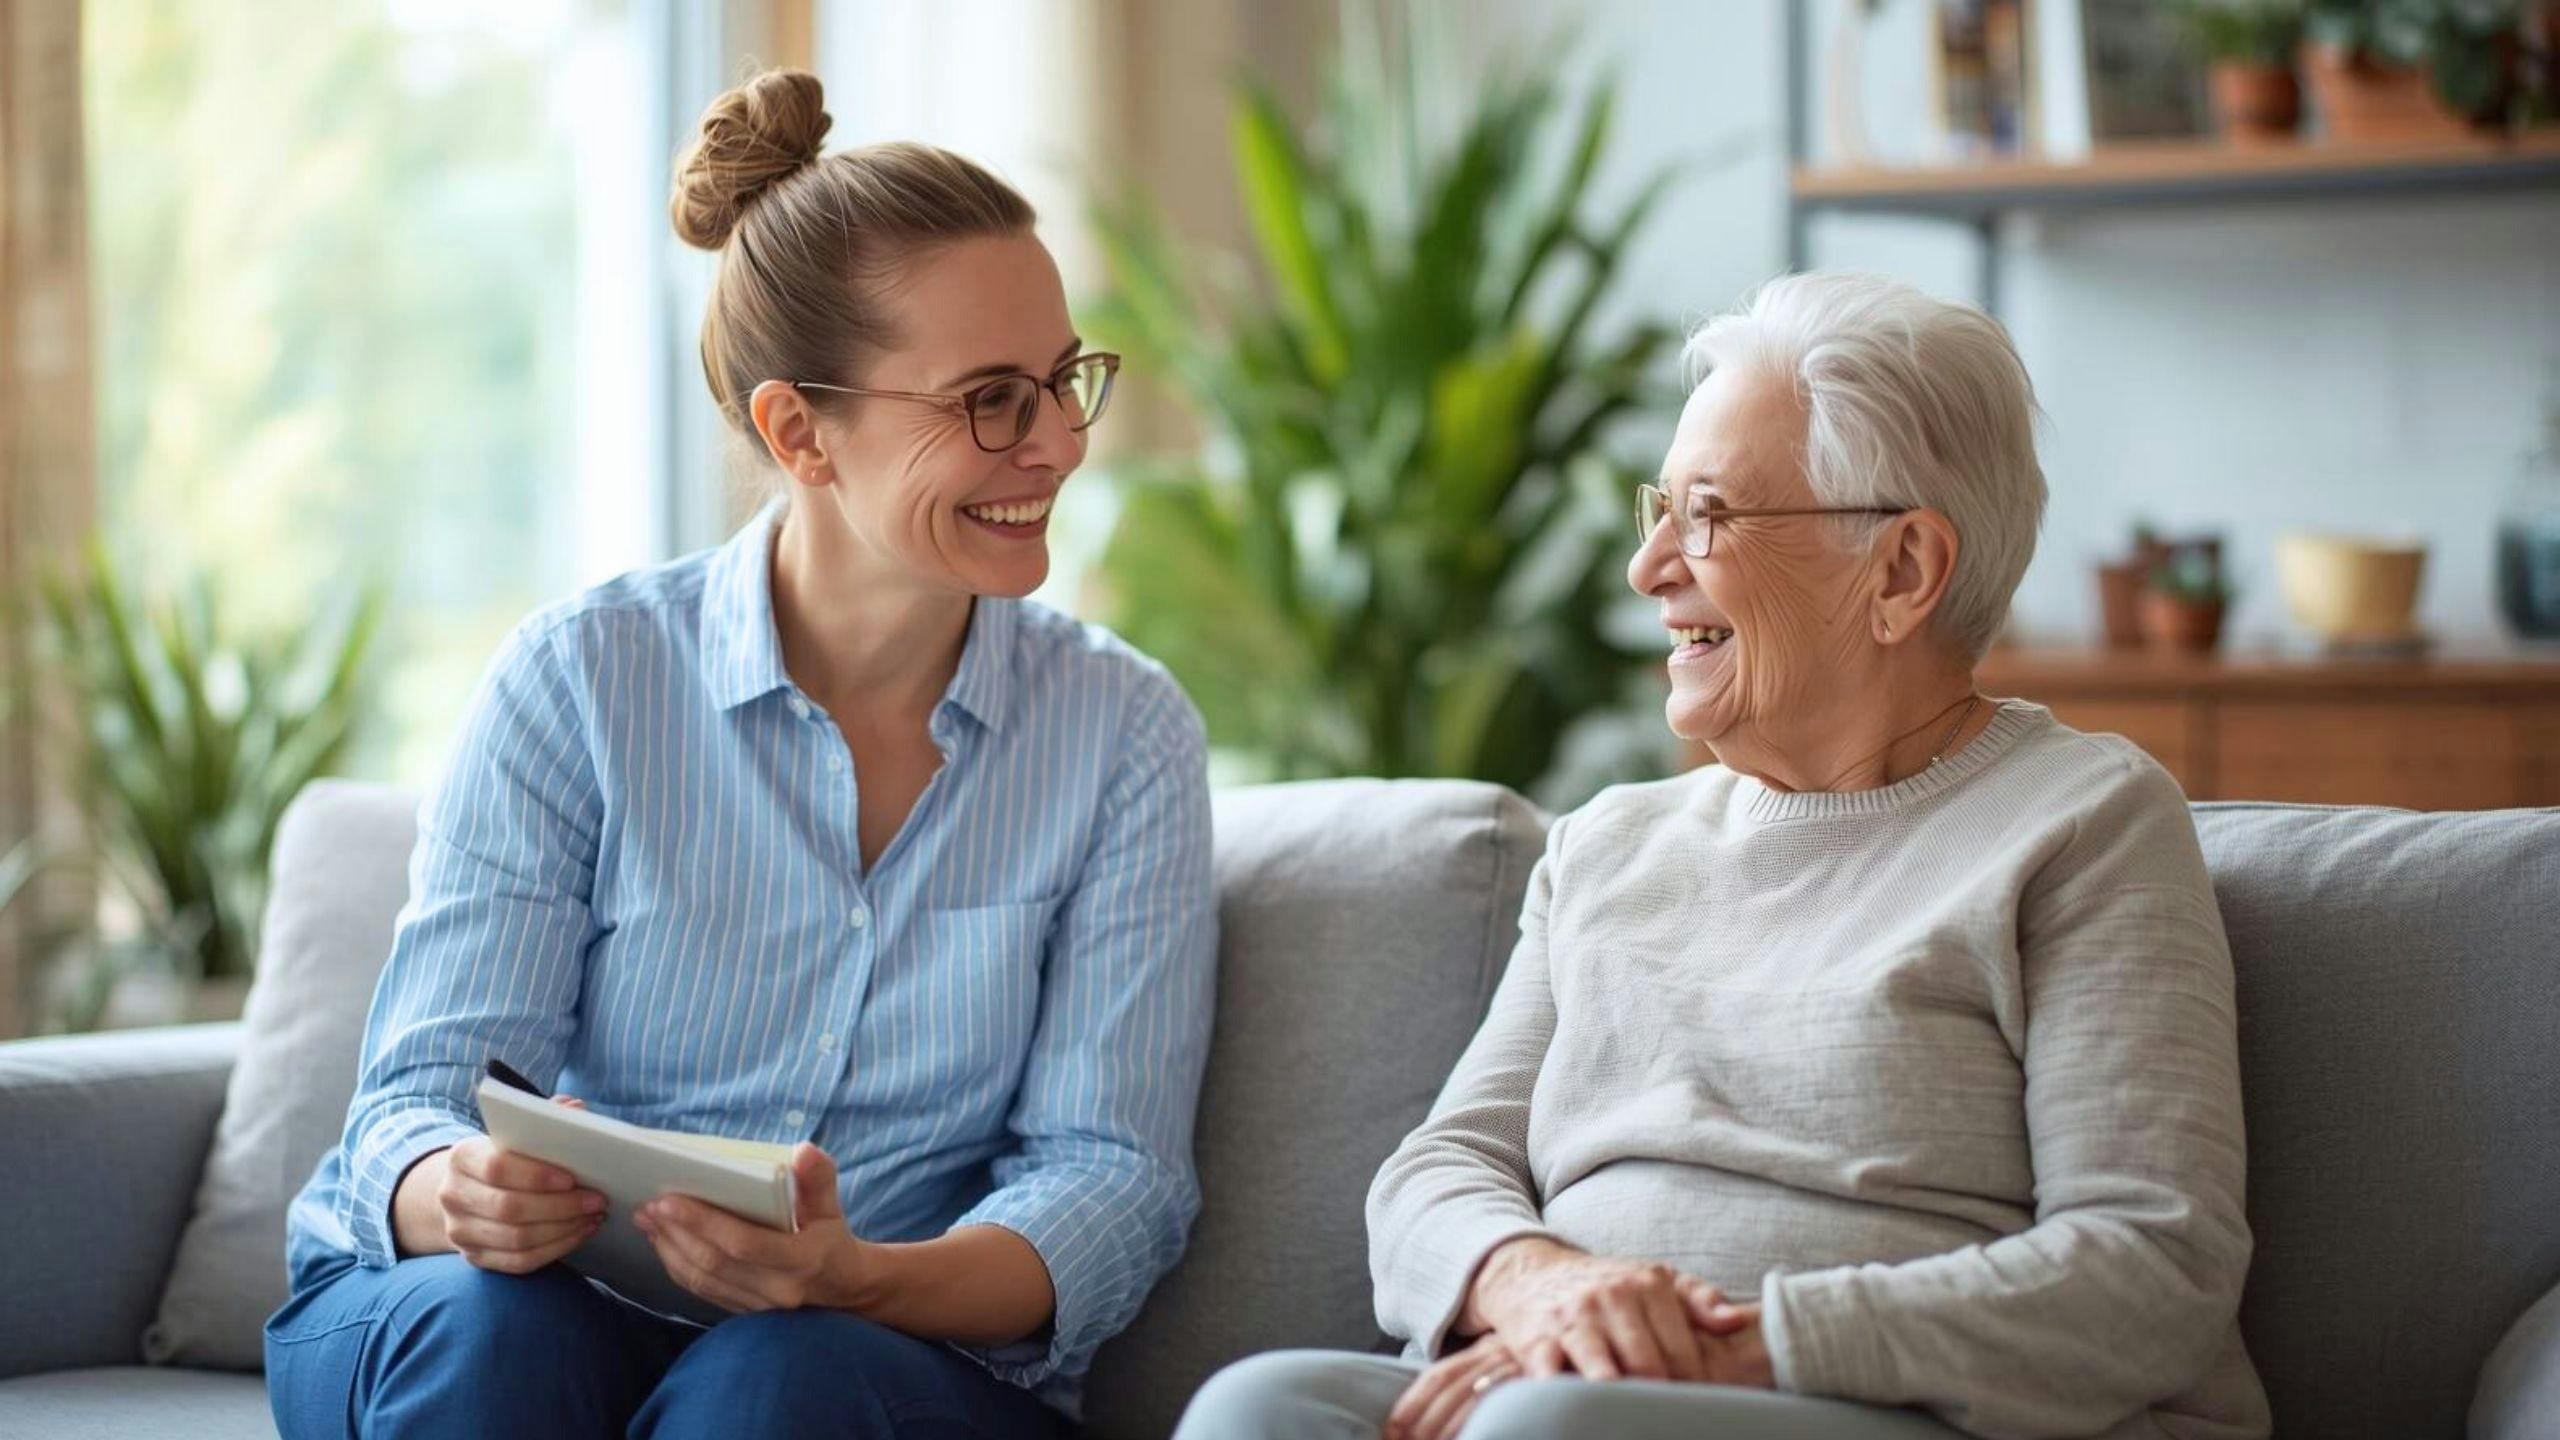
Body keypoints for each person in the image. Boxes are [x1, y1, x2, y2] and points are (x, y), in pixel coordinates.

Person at [265, 68, 1216, 1440]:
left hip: (860, 1363)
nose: (1061, 442)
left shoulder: (1123, 738)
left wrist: (862, 1277)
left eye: (1065, 380)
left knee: (777, 1379)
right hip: (504, 1316)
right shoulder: (580, 681)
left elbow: (1109, 1179)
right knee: (491, 1330)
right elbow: (419, 1096)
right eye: (994, 399)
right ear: (796, 432)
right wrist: (453, 1188)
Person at [1175, 272, 2272, 1440]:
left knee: (1550, 1434)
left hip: (1900, 1413)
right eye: (1659, 510)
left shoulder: (2082, 825)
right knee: (1262, 1409)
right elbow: (1437, 1173)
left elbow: (2151, 1269)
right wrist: (1537, 1285)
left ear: (1899, 571)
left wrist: (1733, 1351)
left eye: (1708, 517)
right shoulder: (1610, 846)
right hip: (1566, 1389)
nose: (1649, 569)